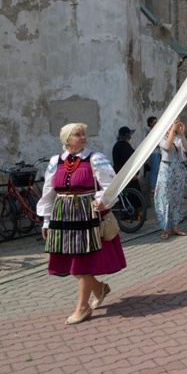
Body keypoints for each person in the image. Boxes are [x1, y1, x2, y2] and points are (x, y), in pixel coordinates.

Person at [37, 123, 127, 325]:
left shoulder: (95, 159)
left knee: (82, 262)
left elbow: (112, 186)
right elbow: (48, 193)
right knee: (70, 262)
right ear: (67, 140)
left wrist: (101, 200)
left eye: (84, 134)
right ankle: (99, 289)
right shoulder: (55, 161)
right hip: (62, 215)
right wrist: (46, 220)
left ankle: (83, 307)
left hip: (86, 214)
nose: (83, 137)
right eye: (78, 135)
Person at [155, 117, 187, 240]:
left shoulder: (179, 137)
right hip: (167, 169)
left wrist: (182, 134)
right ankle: (164, 228)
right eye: (174, 122)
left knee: (177, 198)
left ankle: (175, 226)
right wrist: (171, 132)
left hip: (179, 170)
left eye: (178, 121)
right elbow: (167, 147)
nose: (176, 124)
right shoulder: (161, 136)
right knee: (164, 198)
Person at [112, 126, 141, 192]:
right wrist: (132, 174)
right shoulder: (124, 146)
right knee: (133, 197)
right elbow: (128, 161)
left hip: (120, 175)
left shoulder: (117, 145)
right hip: (127, 177)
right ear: (127, 136)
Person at [146, 116, 161, 202]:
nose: (156, 123)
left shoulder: (155, 132)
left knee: (156, 170)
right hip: (154, 153)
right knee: (154, 170)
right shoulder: (150, 133)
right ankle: (152, 187)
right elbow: (152, 144)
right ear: (150, 123)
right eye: (154, 122)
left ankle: (154, 185)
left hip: (157, 152)